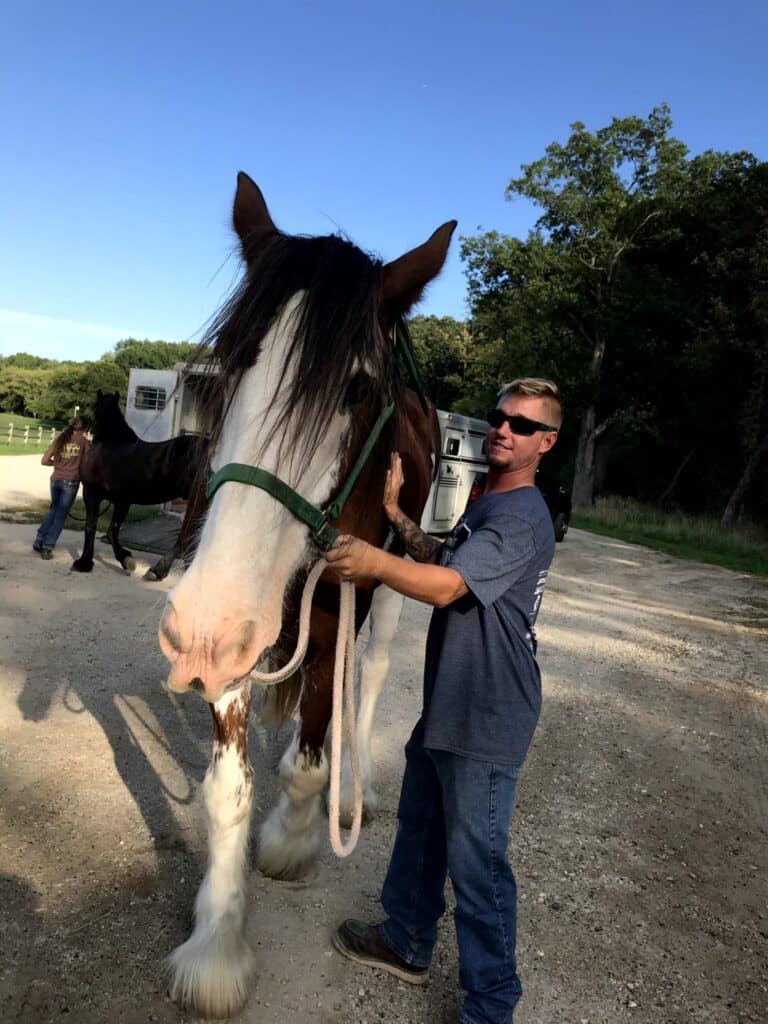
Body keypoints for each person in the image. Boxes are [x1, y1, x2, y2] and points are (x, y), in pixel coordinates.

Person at [323, 378, 563, 1024]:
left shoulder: (521, 517)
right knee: (421, 827)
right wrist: (397, 515)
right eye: (498, 416)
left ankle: (491, 1006)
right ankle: (406, 941)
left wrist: (372, 559)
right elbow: (438, 554)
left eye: (520, 424)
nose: (502, 430)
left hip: (487, 714)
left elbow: (447, 586)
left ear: (547, 442)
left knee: (477, 866)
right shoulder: (487, 505)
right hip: (449, 705)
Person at [34, 415, 91, 560]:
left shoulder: (60, 439)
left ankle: (39, 538)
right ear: (85, 428)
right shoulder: (84, 442)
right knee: (60, 516)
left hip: (55, 480)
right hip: (70, 482)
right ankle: (47, 547)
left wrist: (58, 465)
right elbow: (88, 463)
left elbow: (44, 460)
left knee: (53, 509)